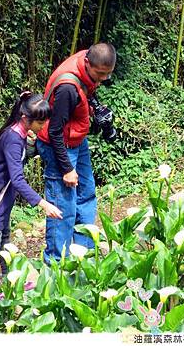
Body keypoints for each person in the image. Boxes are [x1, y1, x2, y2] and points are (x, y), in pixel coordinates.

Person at [36, 42, 116, 263]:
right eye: (99, 75)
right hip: (59, 146)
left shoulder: (87, 65)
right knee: (63, 205)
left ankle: (84, 254)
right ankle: (56, 264)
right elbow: (54, 132)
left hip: (76, 140)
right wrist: (67, 169)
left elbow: (86, 93)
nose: (101, 80)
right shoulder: (68, 88)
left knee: (86, 193)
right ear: (88, 63)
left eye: (106, 76)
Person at [0, 91, 63, 290]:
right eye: (40, 123)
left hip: (3, 194)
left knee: (4, 239)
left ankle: (10, 282)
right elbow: (17, 179)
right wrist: (43, 203)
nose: (43, 127)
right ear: (26, 118)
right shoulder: (13, 138)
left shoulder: (20, 133)